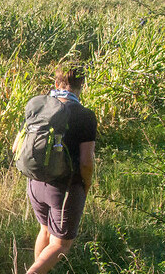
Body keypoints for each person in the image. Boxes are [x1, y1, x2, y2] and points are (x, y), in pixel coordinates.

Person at [25, 65, 98, 274]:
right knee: (60, 245)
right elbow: (86, 162)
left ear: (56, 84)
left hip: (35, 182)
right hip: (64, 188)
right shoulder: (85, 115)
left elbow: (17, 146)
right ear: (81, 86)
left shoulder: (38, 106)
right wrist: (86, 185)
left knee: (45, 231)